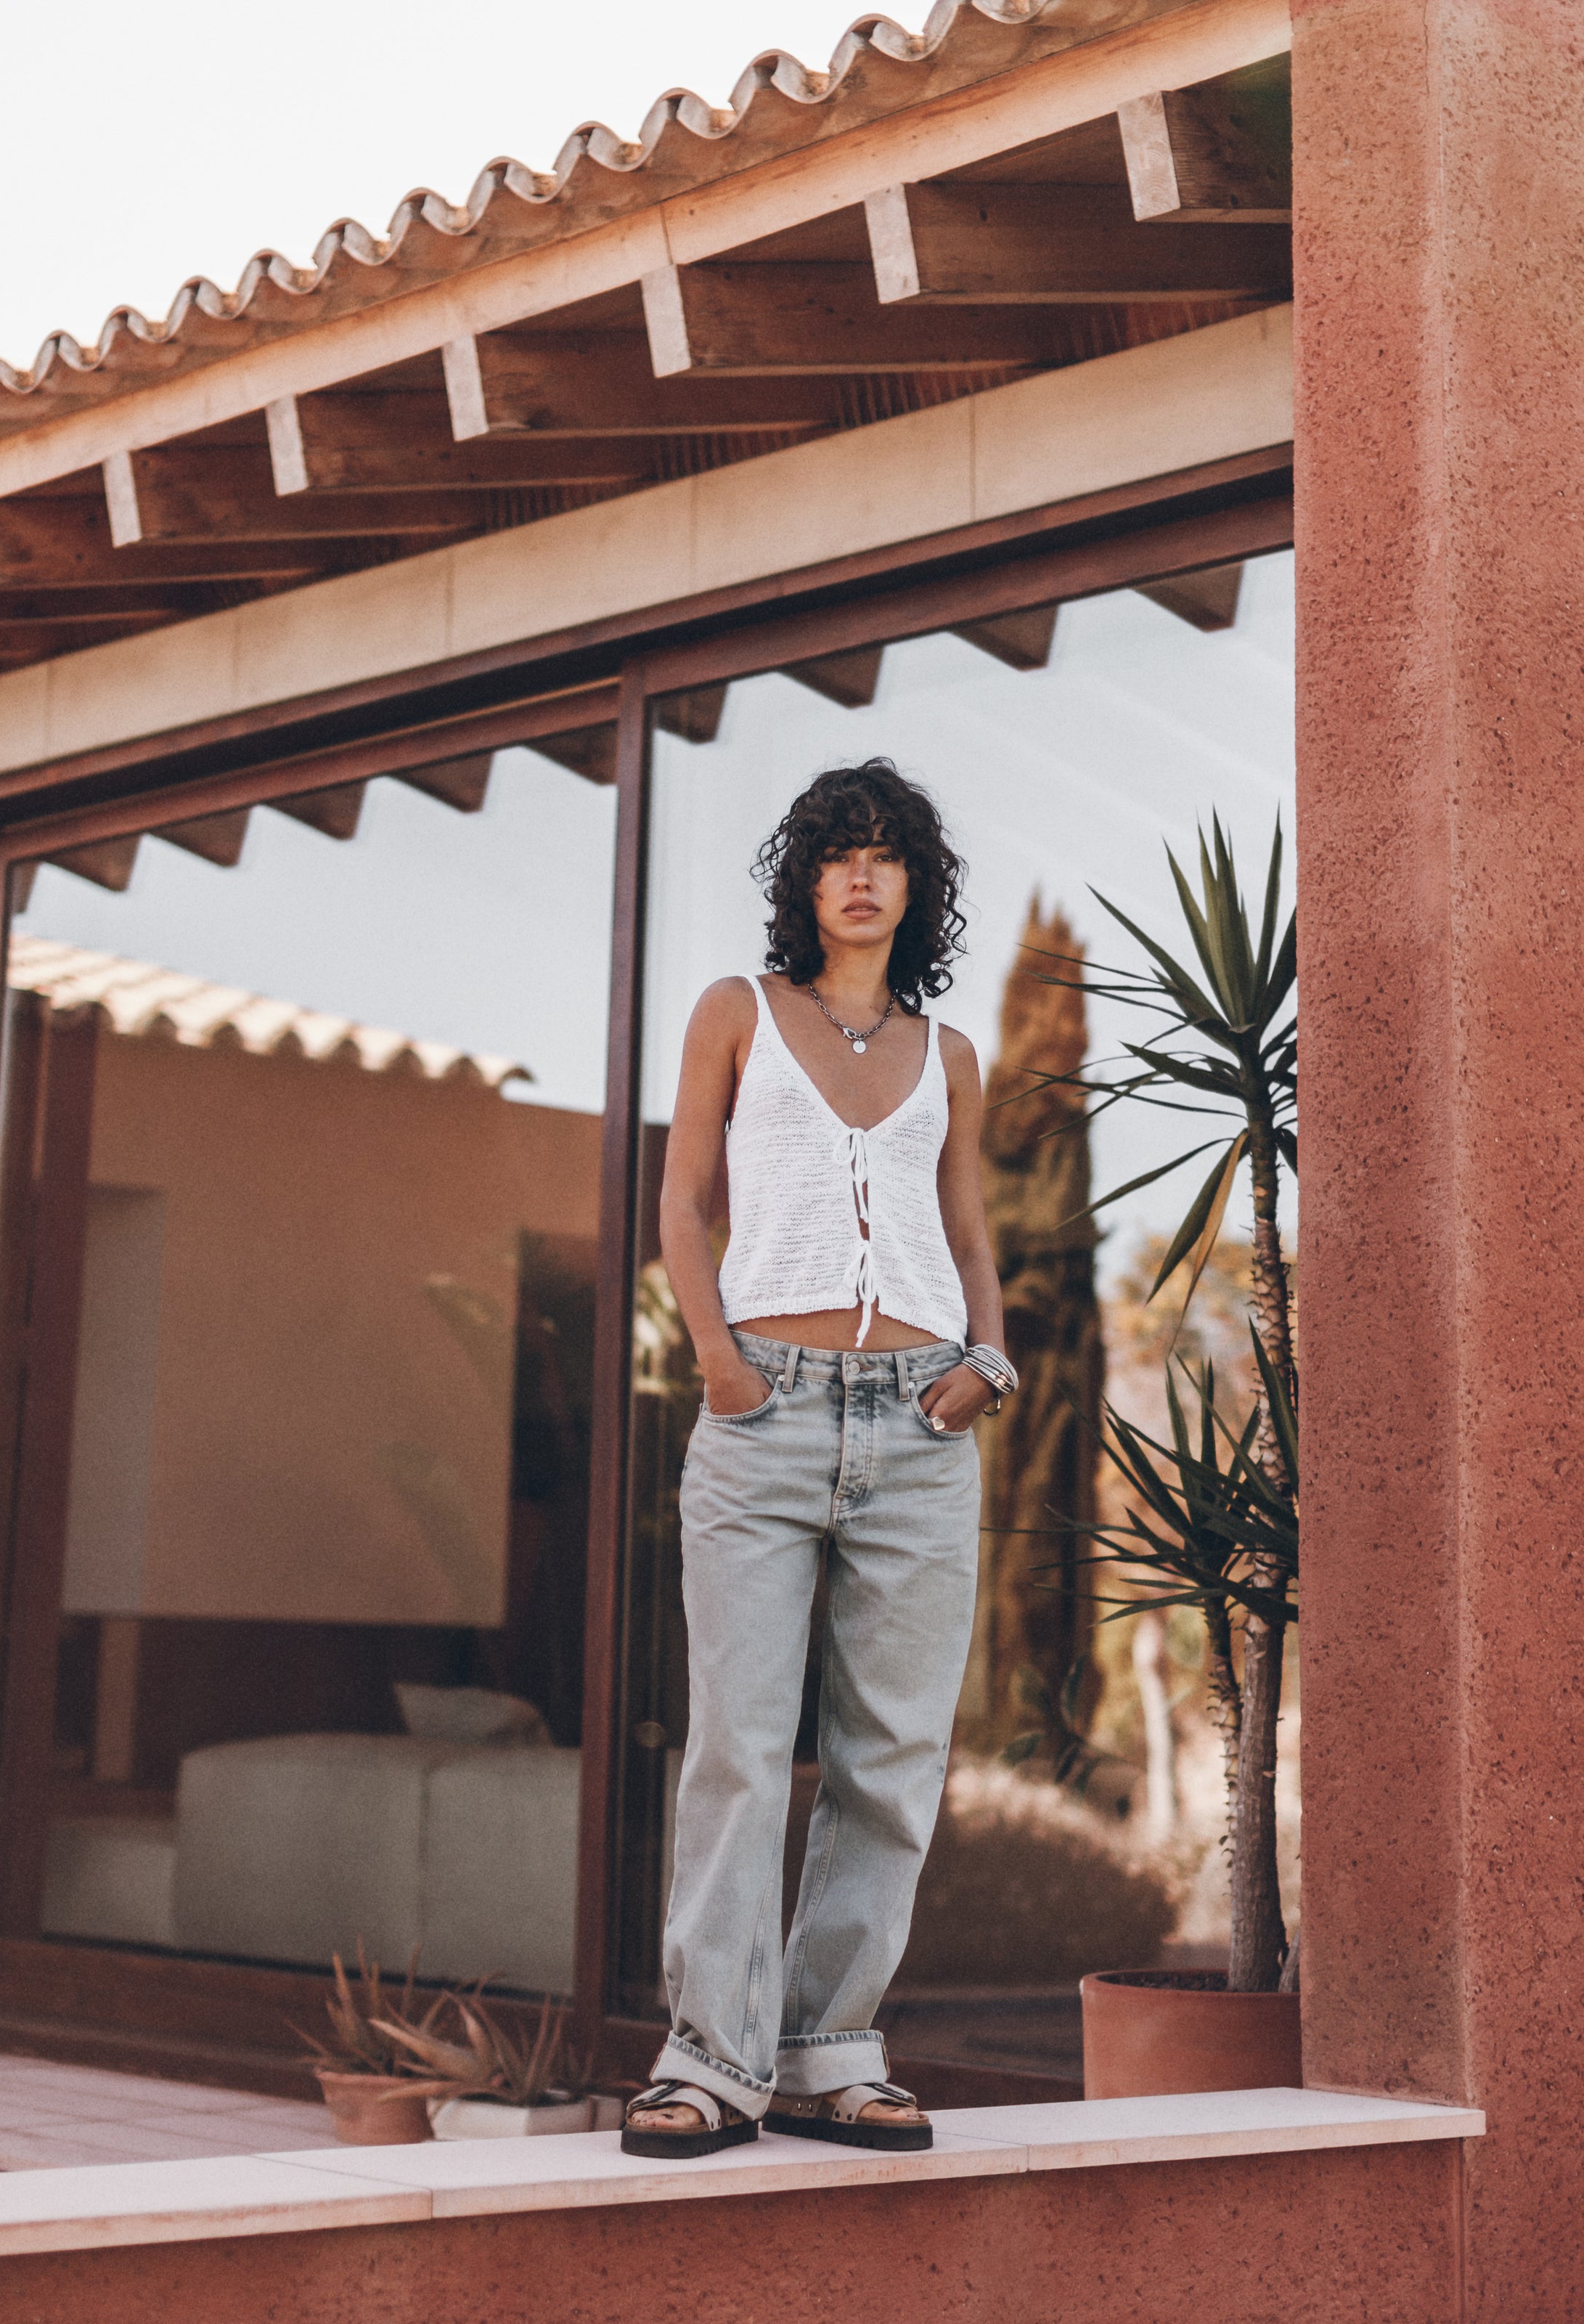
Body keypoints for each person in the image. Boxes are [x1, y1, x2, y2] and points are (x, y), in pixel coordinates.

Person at [622, 758, 1016, 2161]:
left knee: (892, 1756)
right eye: (838, 851)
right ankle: (710, 2059)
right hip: (764, 1413)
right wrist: (720, 1362)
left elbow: (967, 1230)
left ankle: (831, 2052)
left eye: (885, 853)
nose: (860, 872)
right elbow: (681, 1202)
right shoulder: (738, 1011)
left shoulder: (948, 1053)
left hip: (922, 1423)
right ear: (804, 879)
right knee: (740, 1745)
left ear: (916, 886)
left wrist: (989, 1360)